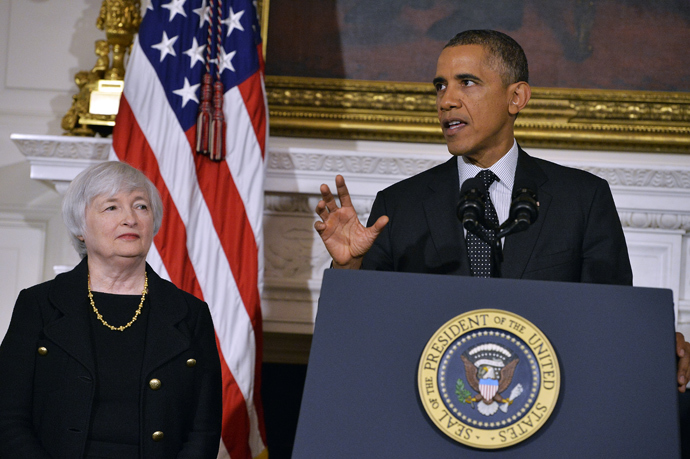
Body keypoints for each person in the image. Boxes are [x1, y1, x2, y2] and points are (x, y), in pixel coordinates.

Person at [314, 29, 690, 392]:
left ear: (517, 97)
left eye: (467, 82)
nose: (446, 101)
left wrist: (655, 344)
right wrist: (348, 270)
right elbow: (357, 335)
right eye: (440, 86)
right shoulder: (398, 205)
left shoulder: (582, 198)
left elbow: (613, 319)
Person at [0, 162, 222, 458]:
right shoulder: (39, 305)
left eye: (141, 206)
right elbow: (8, 419)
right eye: (111, 208)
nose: (130, 218)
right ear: (80, 228)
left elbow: (203, 430)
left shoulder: (189, 313)